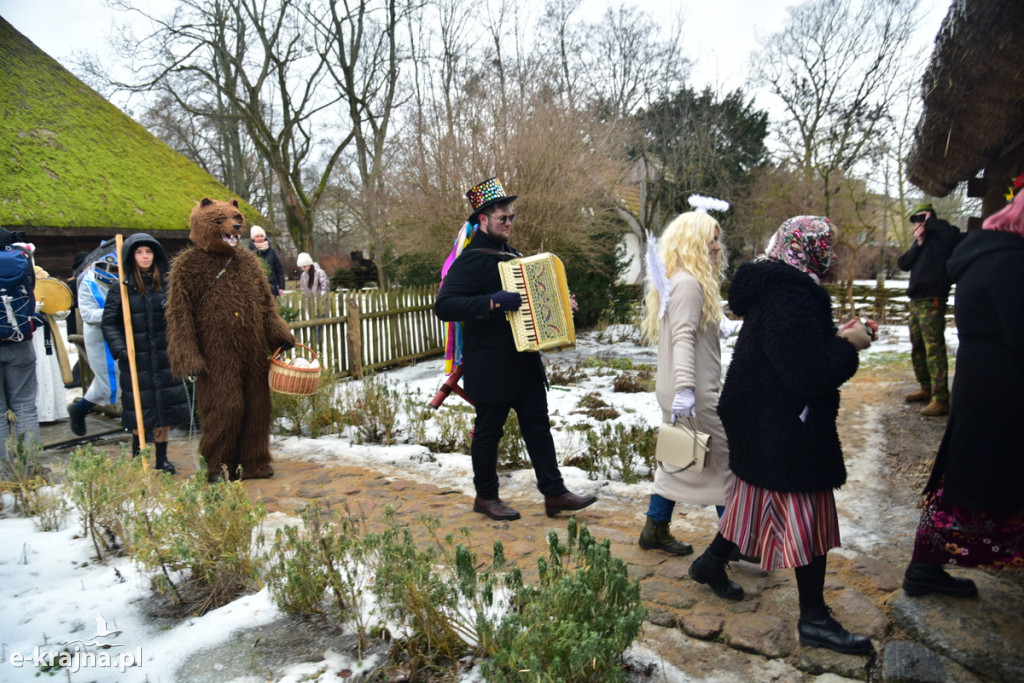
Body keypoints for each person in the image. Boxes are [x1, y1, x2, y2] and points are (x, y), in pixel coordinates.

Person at [693, 216, 877, 655]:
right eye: (826, 246)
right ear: (807, 249)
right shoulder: (791, 297)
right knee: (808, 511)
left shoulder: (783, 290)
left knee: (753, 499)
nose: (832, 255)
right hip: (781, 425)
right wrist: (850, 344)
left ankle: (710, 564)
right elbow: (808, 374)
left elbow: (794, 353)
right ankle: (814, 619)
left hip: (764, 416)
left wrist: (835, 337)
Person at [434, 177, 596, 521]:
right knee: (489, 432)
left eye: (511, 217)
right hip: (490, 363)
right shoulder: (471, 260)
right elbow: (445, 306)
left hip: (524, 361)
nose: (508, 222)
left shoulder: (514, 256)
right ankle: (486, 497)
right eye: (502, 218)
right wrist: (491, 302)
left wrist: (560, 304)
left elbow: (533, 302)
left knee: (538, 427)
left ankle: (554, 493)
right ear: (483, 219)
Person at [902, 193, 1024, 597]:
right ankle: (924, 566)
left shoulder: (983, 253)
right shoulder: (1009, 261)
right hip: (1001, 387)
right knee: (973, 477)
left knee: (965, 475)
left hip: (983, 381)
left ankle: (925, 565)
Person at [637, 204, 737, 556]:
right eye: (711, 240)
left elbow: (688, 329)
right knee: (727, 462)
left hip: (677, 390)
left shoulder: (679, 280)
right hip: (693, 392)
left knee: (678, 457)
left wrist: (719, 325)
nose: (717, 247)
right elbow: (682, 337)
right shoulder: (690, 284)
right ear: (693, 243)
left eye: (717, 240)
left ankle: (654, 528)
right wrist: (686, 390)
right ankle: (734, 541)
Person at [101, 234, 189, 474]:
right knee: (140, 410)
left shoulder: (168, 286)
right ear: (131, 256)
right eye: (139, 252)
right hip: (136, 359)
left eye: (148, 252)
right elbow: (109, 323)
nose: (145, 256)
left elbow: (180, 318)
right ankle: (139, 458)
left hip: (164, 358)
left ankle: (162, 459)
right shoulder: (121, 288)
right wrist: (120, 349)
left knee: (164, 411)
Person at [896, 203, 962, 417]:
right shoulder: (922, 243)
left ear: (930, 218)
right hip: (916, 301)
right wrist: (919, 242)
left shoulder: (943, 238)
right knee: (918, 346)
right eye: (916, 220)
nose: (917, 224)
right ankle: (926, 388)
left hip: (932, 300)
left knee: (934, 349)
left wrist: (931, 222)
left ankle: (941, 399)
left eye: (920, 219)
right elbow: (903, 264)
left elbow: (954, 234)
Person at [67, 246, 120, 435]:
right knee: (108, 383)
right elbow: (88, 314)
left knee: (127, 379)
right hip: (100, 338)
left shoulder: (124, 279)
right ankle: (80, 409)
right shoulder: (88, 282)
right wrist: (116, 312)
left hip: (123, 335)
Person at [0, 231, 40, 458]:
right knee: (26, 409)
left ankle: (5, 473)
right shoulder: (22, 262)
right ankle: (31, 468)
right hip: (21, 343)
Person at [249, 226, 286, 297]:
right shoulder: (250, 253)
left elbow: (279, 270)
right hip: (257, 289)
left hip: (272, 288)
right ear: (253, 238)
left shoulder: (272, 251)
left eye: (261, 236)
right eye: (257, 236)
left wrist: (281, 287)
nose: (260, 238)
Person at [296, 252, 330, 316]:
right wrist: (306, 301)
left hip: (321, 305)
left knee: (321, 320)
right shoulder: (303, 275)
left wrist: (317, 300)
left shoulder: (320, 272)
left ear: (309, 264)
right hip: (310, 305)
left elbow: (325, 288)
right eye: (301, 267)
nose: (302, 268)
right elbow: (303, 289)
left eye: (304, 266)